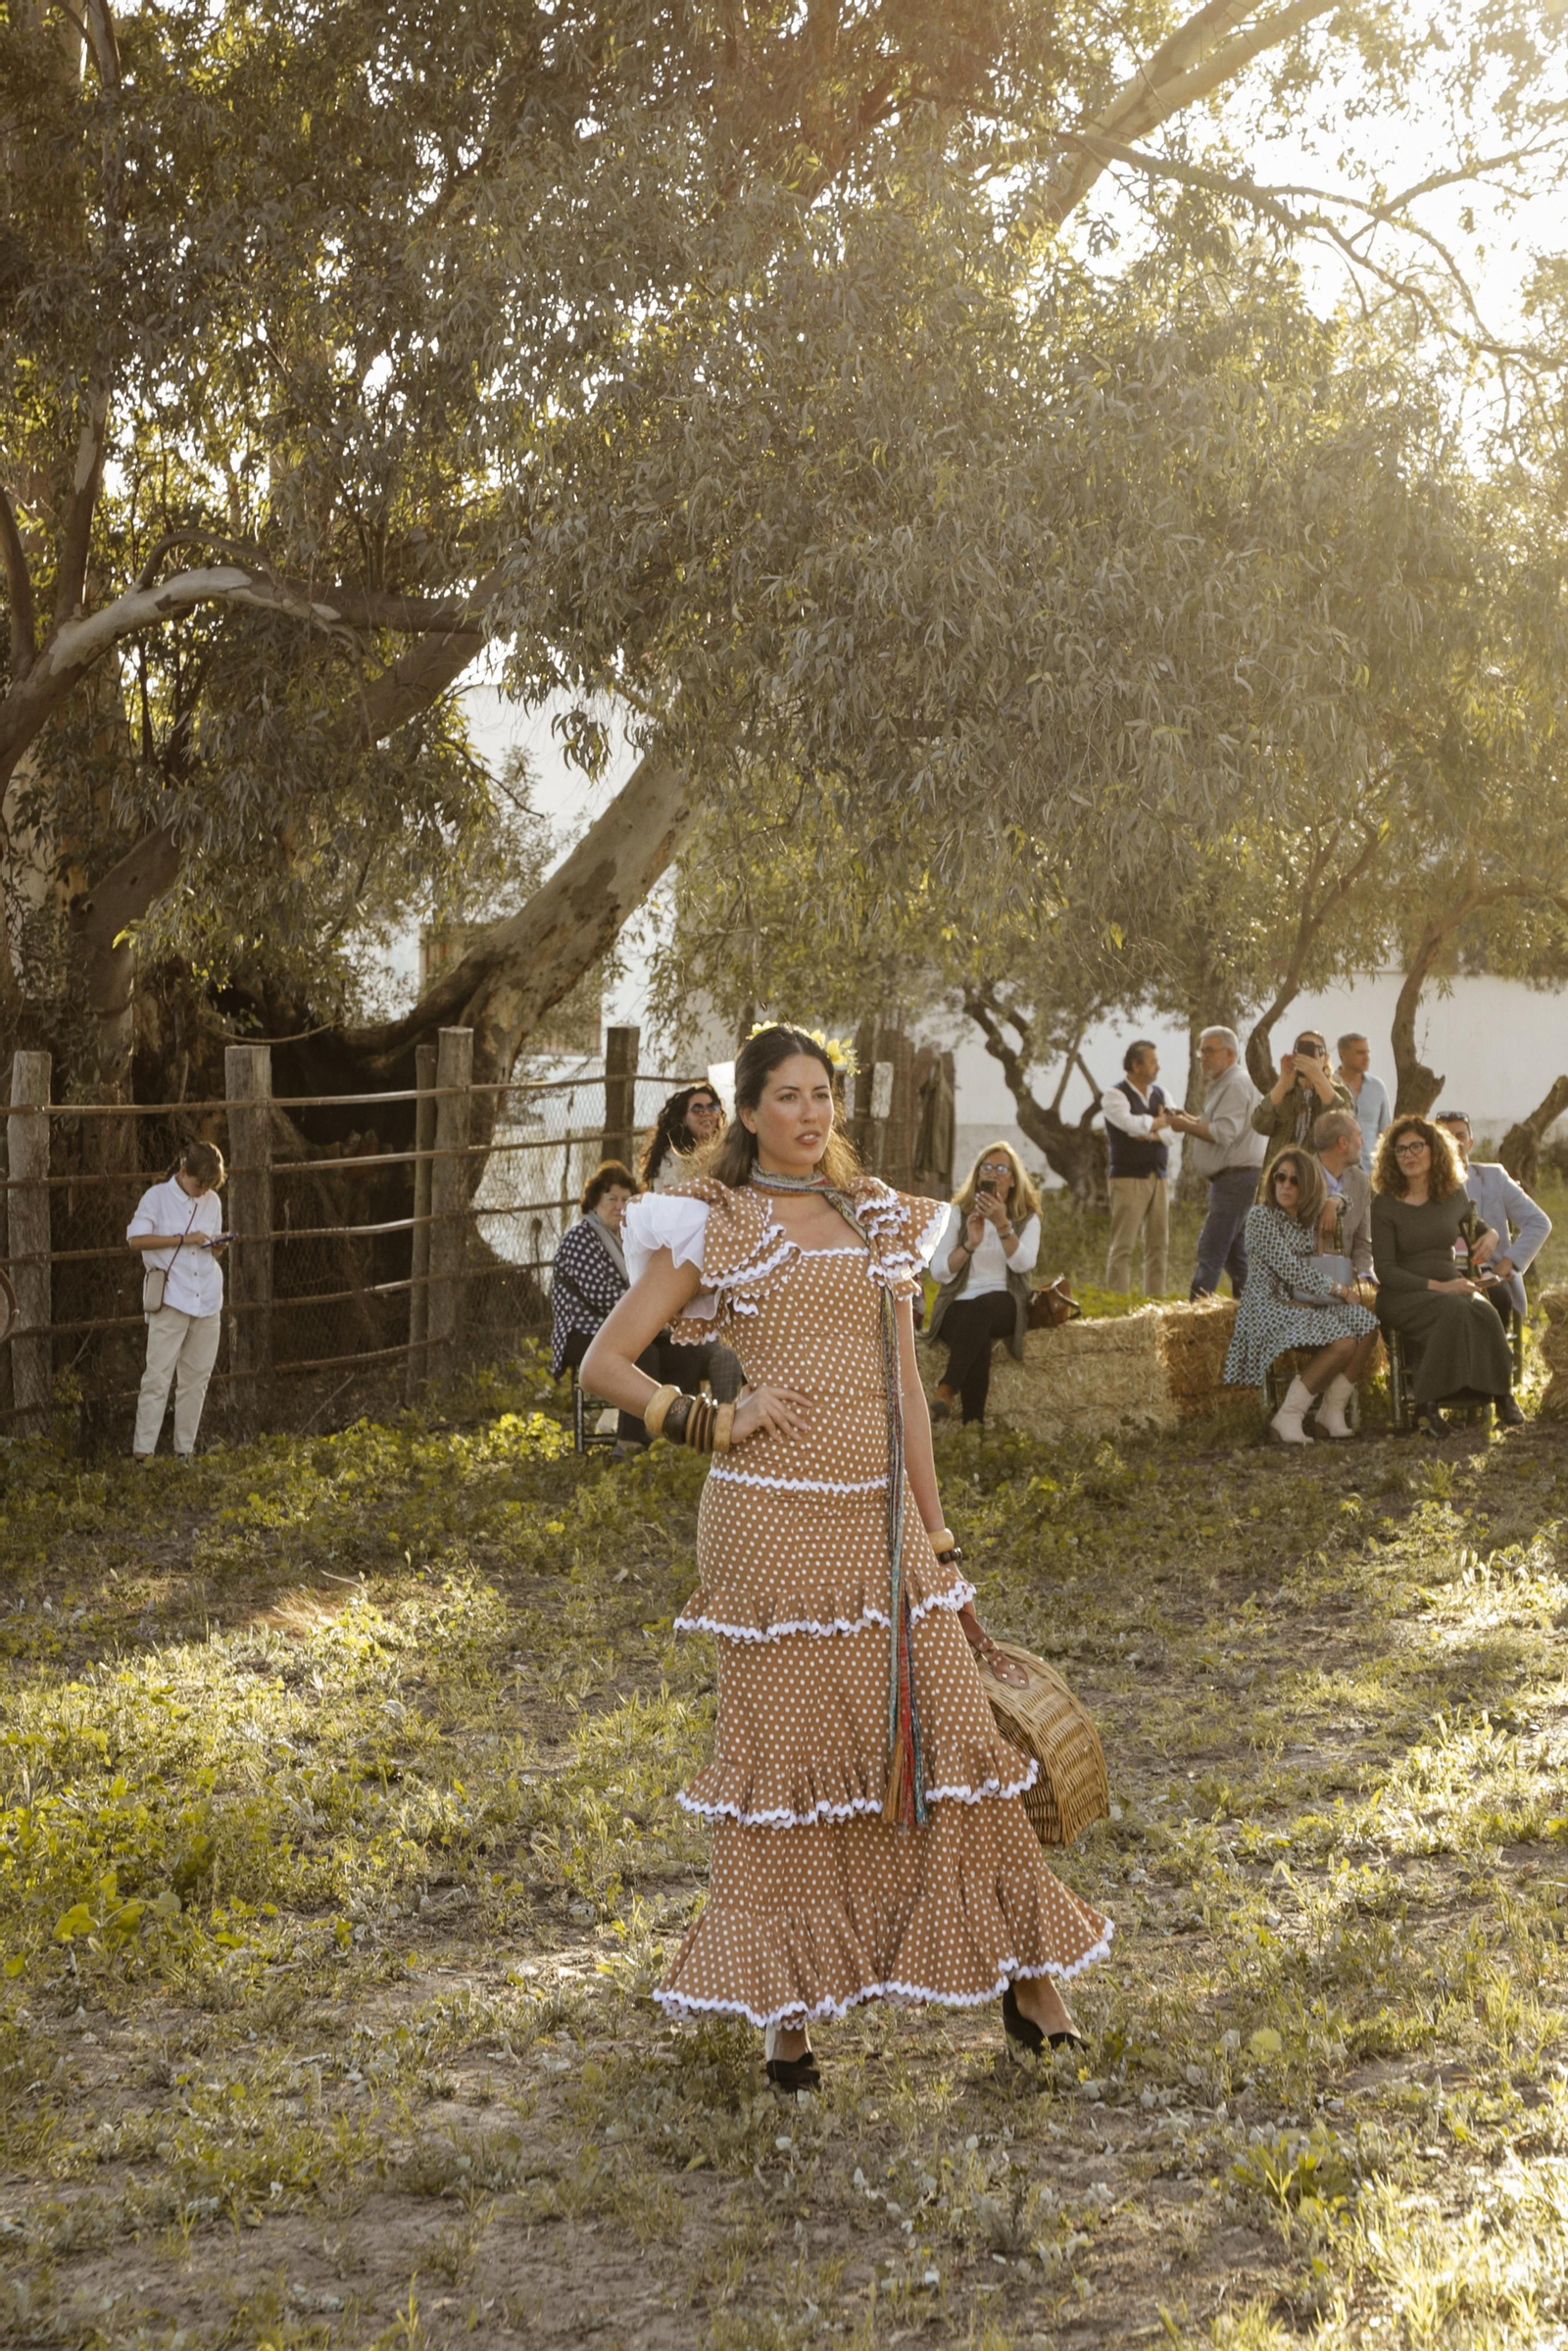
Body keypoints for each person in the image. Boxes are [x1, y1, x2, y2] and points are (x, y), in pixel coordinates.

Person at [583, 1024, 1110, 2087]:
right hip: (768, 1519)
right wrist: (709, 1420)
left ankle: (1026, 1981)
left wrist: (942, 1541)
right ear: (745, 1112)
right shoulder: (712, 1220)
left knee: (955, 1734)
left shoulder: (877, 1212)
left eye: (822, 1093)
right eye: (786, 1095)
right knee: (789, 1766)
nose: (810, 1113)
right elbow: (604, 1363)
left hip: (880, 1521)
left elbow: (907, 1388)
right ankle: (789, 2021)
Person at [552, 1161, 735, 1447]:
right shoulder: (581, 1237)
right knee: (644, 1353)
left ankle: (676, 1435)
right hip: (582, 1332)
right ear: (594, 1202)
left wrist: (654, 1310)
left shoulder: (624, 1238)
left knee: (683, 1352)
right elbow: (600, 1294)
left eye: (626, 1199)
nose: (619, 1206)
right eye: (611, 1199)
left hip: (628, 1327)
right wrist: (653, 1309)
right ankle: (630, 1441)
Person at [1371, 1116, 1517, 1437]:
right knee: (1454, 1308)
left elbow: (1475, 1225)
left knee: (1485, 1311)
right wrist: (1442, 1287)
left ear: (1434, 1151)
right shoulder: (1384, 1204)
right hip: (1402, 1294)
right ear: (1391, 1158)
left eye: (1416, 1147)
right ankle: (1427, 1409)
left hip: (1449, 1288)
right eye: (1400, 1150)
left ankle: (1502, 1397)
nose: (1408, 1155)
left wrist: (1491, 1234)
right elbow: (1385, 1270)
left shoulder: (1452, 1195)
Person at [1223, 1149, 1380, 1443]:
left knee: (1367, 1326)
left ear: (1307, 1185)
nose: (1285, 1185)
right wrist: (1340, 1290)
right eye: (1280, 1177)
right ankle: (1288, 1416)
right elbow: (1291, 1270)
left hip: (1307, 1302)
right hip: (1270, 1304)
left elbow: (1350, 1201)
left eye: (1295, 1181)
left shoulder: (1308, 1218)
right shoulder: (1261, 1218)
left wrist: (1334, 1200)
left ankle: (1331, 1412)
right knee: (1344, 1342)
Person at [925, 1143, 1044, 1423]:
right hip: (958, 1304)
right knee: (975, 1333)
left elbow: (1024, 1263)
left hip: (1005, 1302)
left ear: (1014, 1179)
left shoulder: (1027, 1218)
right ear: (978, 1177)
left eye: (1002, 1169)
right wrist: (969, 1244)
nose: (994, 1174)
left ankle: (946, 1391)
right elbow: (939, 1272)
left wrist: (1003, 1224)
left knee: (982, 1309)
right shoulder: (957, 1213)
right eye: (987, 1168)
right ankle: (973, 1426)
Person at [126, 1141, 228, 1461]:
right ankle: (143, 1455)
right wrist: (183, 1240)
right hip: (171, 1297)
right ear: (183, 1172)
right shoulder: (156, 1198)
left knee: (196, 1380)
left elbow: (209, 1246)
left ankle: (183, 1454)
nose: (203, 1192)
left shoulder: (212, 1201)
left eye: (210, 1186)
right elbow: (135, 1239)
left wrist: (217, 1247)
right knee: (157, 1378)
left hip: (207, 1298)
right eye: (199, 1184)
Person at [1166, 1027, 1265, 1298]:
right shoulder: (1229, 1082)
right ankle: (1252, 1314)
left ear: (1231, 1053)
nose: (1203, 1057)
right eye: (1201, 1051)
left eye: (1210, 1050)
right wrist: (1187, 1118)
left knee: (1210, 1251)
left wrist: (1184, 1125)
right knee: (1236, 1257)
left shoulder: (1234, 1084)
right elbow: (1221, 1125)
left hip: (1235, 1179)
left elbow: (1224, 1133)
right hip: (1238, 1178)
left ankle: (1193, 1322)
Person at [1434, 1111, 1551, 1324]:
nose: (1454, 1142)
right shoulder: (1421, 1184)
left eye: (1459, 1136)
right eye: (1445, 1136)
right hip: (1439, 1274)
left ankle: (1496, 1357)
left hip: (1488, 1273)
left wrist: (1507, 1263)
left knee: (1495, 1297)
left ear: (1470, 1143)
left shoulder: (1494, 1178)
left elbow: (1539, 1222)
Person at [1100, 1041, 1170, 1295]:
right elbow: (1128, 1124)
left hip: (1159, 1177)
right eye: (1152, 1062)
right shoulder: (1114, 1095)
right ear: (1135, 1065)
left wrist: (1152, 1132)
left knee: (1158, 1245)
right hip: (1128, 1179)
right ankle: (1118, 1306)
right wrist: (1159, 1122)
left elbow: (1176, 1133)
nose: (1157, 1067)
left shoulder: (1161, 1094)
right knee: (1123, 1246)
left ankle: (1156, 1302)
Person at [1251, 1029, 1353, 1160]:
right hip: (1281, 1177)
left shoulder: (1338, 1092)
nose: (1309, 1056)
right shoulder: (1283, 1092)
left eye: (1316, 1050)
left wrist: (1317, 1076)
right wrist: (1283, 1083)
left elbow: (1346, 1124)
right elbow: (1259, 1124)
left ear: (1325, 1058)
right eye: (1302, 1049)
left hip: (1318, 1176)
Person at [1312, 1108, 1373, 1289]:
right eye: (1359, 1136)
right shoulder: (1301, 1177)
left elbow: (1363, 1243)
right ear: (1343, 1142)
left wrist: (1365, 1277)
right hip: (1306, 1282)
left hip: (1346, 1283)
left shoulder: (1361, 1182)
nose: (1363, 1142)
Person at [640, 1083, 726, 1193]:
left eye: (712, 1107)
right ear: (683, 1119)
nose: (706, 1113)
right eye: (697, 1109)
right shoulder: (674, 1157)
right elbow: (670, 1194)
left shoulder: (722, 1150)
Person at [1336, 1034, 1393, 1172]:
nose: (1366, 1057)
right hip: (1338, 1170)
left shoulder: (1377, 1087)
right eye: (1360, 1052)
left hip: (1370, 1171)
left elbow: (1385, 1132)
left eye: (1368, 1052)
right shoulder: (1329, 1087)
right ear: (1343, 1054)